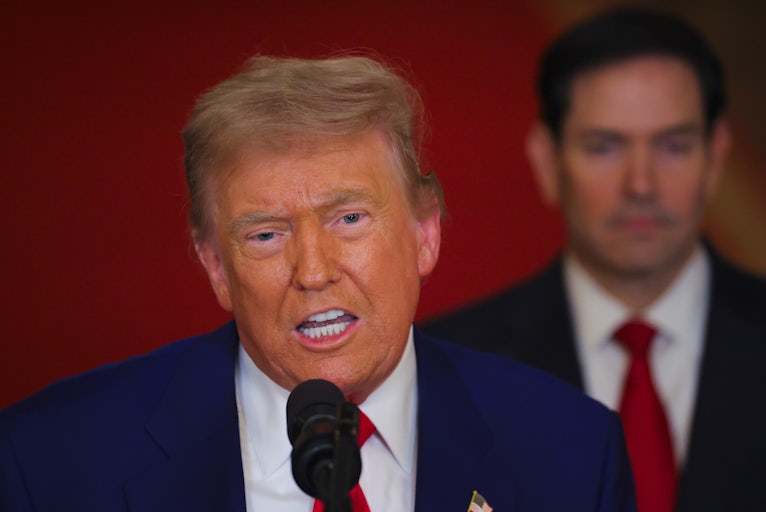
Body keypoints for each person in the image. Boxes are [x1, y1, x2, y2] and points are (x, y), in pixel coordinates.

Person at [0, 54, 635, 511]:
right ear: (215, 267)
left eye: (349, 219)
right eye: (265, 234)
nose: (313, 271)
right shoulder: (50, 462)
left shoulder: (571, 451)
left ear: (425, 233)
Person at [422, 7, 766, 512]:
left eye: (674, 146)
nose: (641, 185)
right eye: (604, 146)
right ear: (547, 161)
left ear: (715, 159)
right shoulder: (447, 370)